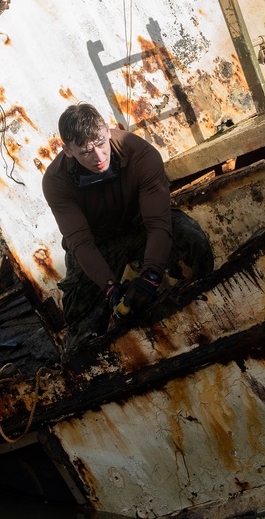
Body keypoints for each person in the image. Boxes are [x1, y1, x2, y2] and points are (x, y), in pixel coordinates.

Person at [41, 103, 213, 358]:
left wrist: (151, 277)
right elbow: (81, 243)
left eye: (101, 143)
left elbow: (158, 223)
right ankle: (86, 366)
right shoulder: (56, 182)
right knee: (80, 308)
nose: (99, 157)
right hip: (97, 241)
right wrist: (111, 288)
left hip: (141, 224)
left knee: (192, 238)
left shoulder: (141, 154)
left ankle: (207, 301)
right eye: (86, 151)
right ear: (67, 150)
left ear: (108, 132)